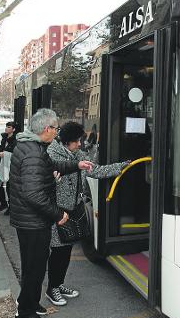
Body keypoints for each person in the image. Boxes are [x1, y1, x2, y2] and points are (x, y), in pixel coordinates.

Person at [9, 109, 93, 318]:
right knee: (34, 268)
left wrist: (76, 164)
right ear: (47, 129)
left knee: (33, 267)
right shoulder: (33, 153)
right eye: (55, 128)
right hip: (33, 222)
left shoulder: (31, 146)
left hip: (29, 220)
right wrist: (58, 214)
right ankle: (24, 315)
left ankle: (29, 302)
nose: (57, 133)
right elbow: (33, 194)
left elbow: (53, 167)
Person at [45, 122, 129, 307]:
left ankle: (59, 284)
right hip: (57, 211)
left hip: (74, 209)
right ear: (67, 142)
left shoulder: (79, 155)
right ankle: (52, 289)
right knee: (58, 252)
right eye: (77, 141)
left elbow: (96, 170)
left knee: (66, 251)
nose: (80, 144)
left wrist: (123, 167)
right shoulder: (51, 155)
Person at [0, 121, 18, 214]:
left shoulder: (16, 140)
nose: (6, 128)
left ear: (13, 129)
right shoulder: (4, 138)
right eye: (6, 126)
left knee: (9, 187)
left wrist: (4, 153)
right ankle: (3, 203)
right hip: (1, 164)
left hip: (10, 165)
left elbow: (15, 152)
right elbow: (0, 147)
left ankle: (10, 207)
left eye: (9, 127)